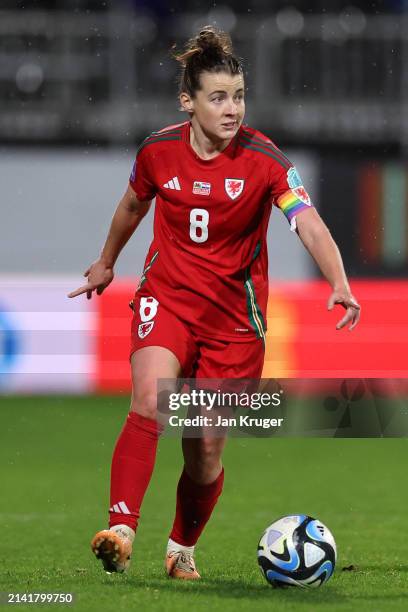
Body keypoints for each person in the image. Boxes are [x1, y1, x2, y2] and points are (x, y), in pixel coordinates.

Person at [68, 26, 360, 580]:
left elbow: (310, 223)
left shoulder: (266, 160)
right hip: (168, 297)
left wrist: (339, 282)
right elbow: (133, 204)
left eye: (240, 95)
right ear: (189, 101)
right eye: (219, 97)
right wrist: (107, 261)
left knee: (203, 451)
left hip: (234, 323)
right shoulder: (157, 150)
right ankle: (121, 529)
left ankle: (181, 549)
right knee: (151, 404)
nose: (233, 109)